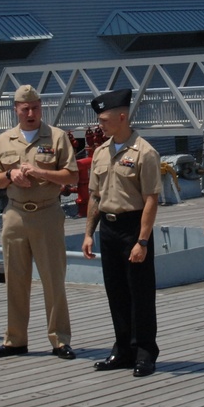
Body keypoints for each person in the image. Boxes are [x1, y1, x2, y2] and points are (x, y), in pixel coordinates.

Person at [0, 85, 78, 360]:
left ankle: (60, 339)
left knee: (53, 279)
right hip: (15, 214)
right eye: (25, 108)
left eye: (35, 107)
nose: (30, 113)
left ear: (41, 108)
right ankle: (15, 339)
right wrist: (11, 175)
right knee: (15, 278)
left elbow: (71, 176)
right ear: (15, 109)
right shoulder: (3, 140)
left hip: (47, 213)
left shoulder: (57, 137)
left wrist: (40, 172)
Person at [81, 89, 161, 377]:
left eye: (104, 119)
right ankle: (123, 349)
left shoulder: (145, 152)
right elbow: (94, 197)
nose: (100, 124)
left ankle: (144, 352)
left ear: (122, 116)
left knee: (139, 293)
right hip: (109, 228)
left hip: (133, 227)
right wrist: (89, 233)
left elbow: (151, 198)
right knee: (115, 291)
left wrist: (142, 240)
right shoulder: (101, 153)